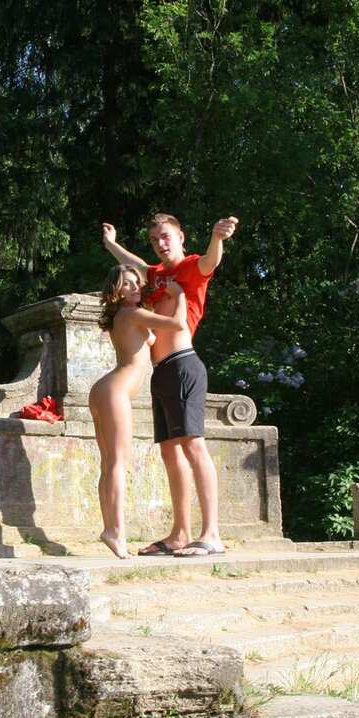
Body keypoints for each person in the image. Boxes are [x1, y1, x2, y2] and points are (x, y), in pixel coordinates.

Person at [102, 213, 238, 557]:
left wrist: (217, 237)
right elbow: (135, 265)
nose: (160, 244)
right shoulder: (155, 275)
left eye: (166, 236)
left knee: (193, 446)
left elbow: (211, 261)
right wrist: (111, 244)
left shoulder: (192, 267)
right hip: (161, 372)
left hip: (183, 365)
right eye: (154, 240)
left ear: (181, 237)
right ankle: (180, 534)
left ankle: (211, 534)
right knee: (169, 451)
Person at [89, 265, 188, 559]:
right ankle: (115, 531)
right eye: (126, 283)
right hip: (115, 391)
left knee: (110, 464)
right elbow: (177, 324)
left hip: (105, 390)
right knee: (117, 463)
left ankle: (111, 529)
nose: (134, 287)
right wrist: (180, 295)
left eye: (135, 283)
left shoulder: (122, 316)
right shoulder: (132, 313)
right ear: (115, 291)